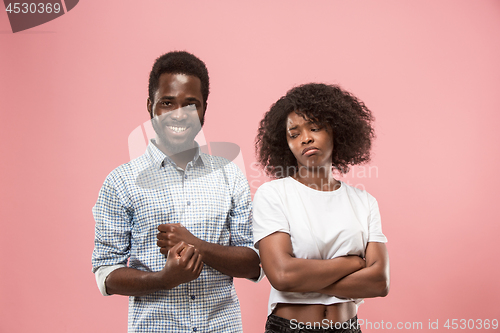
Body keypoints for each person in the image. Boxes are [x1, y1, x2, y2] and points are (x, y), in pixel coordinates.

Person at [92, 51, 261, 333]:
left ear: (204, 108)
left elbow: (254, 263)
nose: (178, 114)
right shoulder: (120, 182)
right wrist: (163, 279)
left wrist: (199, 246)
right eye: (167, 103)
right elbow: (106, 273)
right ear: (150, 105)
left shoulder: (229, 175)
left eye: (190, 104)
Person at [253, 83, 390, 333]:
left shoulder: (364, 202)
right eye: (293, 134)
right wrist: (353, 264)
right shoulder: (273, 195)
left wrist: (303, 280)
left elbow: (379, 282)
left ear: (335, 130)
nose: (305, 138)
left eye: (314, 128)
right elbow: (282, 276)